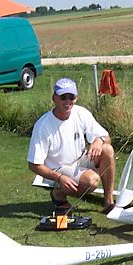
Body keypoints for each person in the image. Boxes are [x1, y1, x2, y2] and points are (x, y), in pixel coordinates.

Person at [28, 78, 116, 213]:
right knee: (91, 181)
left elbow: (107, 137)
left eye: (71, 97)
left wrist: (98, 140)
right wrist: (59, 178)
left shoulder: (81, 113)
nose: (68, 101)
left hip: (79, 161)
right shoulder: (43, 126)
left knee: (107, 149)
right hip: (57, 170)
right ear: (54, 98)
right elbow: (34, 165)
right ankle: (58, 194)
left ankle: (108, 203)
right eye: (63, 97)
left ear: (76, 98)